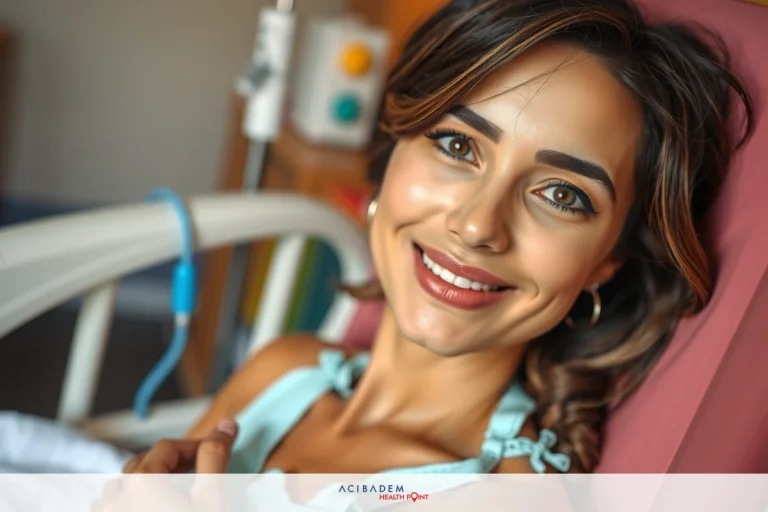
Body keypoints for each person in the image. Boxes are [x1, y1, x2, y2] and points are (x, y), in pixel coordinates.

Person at [124, 0, 753, 476]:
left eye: (562, 195)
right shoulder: (284, 373)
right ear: (394, 149)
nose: (478, 226)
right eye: (458, 145)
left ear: (606, 262)